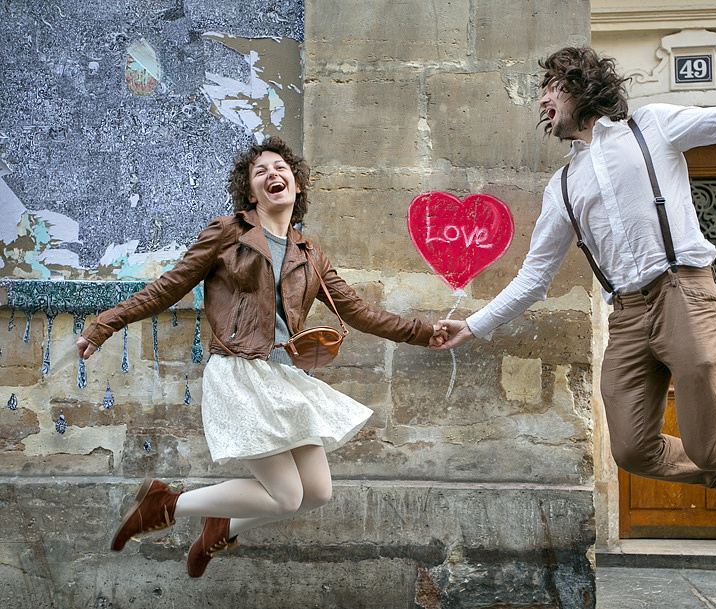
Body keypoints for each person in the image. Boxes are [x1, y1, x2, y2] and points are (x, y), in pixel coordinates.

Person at [434, 0, 716, 522]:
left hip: (683, 291)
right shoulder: (562, 188)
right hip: (629, 315)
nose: (543, 101)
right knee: (632, 450)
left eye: (551, 87)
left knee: (711, 439)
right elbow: (533, 278)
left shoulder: (653, 128)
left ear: (580, 85)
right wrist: (472, 327)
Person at [77, 136, 448, 577]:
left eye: (281, 168)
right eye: (260, 171)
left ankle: (221, 527)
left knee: (317, 492)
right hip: (239, 371)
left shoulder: (309, 254)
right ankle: (168, 503)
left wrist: (426, 333)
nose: (273, 174)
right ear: (250, 191)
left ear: (296, 183)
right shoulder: (228, 233)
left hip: (283, 376)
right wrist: (105, 325)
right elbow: (168, 287)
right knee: (287, 496)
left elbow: (359, 313)